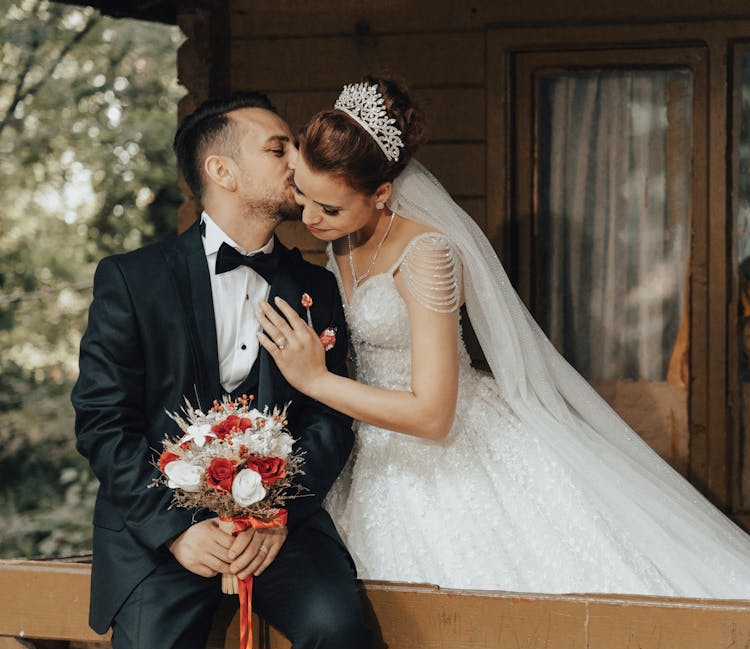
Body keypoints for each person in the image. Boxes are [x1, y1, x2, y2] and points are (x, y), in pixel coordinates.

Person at [256, 76, 750, 602]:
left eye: (329, 209)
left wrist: (316, 380)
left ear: (381, 193)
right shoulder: (342, 239)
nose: (309, 219)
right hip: (371, 451)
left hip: (445, 449)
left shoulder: (427, 255)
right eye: (302, 195)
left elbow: (432, 414)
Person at [71, 92, 373, 649]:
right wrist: (176, 529)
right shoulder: (132, 280)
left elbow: (332, 419)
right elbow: (102, 422)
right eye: (278, 147)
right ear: (222, 170)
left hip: (279, 532)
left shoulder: (319, 286)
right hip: (159, 531)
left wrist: (277, 515)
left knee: (338, 633)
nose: (298, 161)